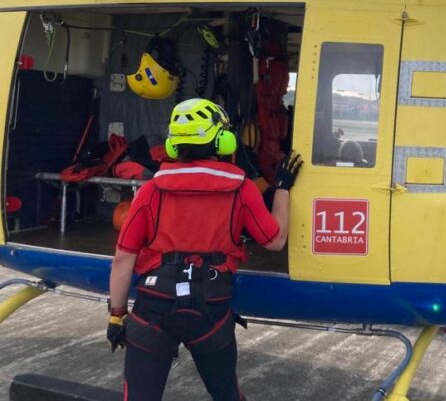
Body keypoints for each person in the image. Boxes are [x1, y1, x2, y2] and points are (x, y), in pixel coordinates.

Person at [106, 98, 303, 400]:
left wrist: (117, 316)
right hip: (210, 310)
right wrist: (283, 186)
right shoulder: (241, 187)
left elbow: (123, 260)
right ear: (222, 140)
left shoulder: (150, 190)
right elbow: (274, 241)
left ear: (174, 143)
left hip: (154, 308)